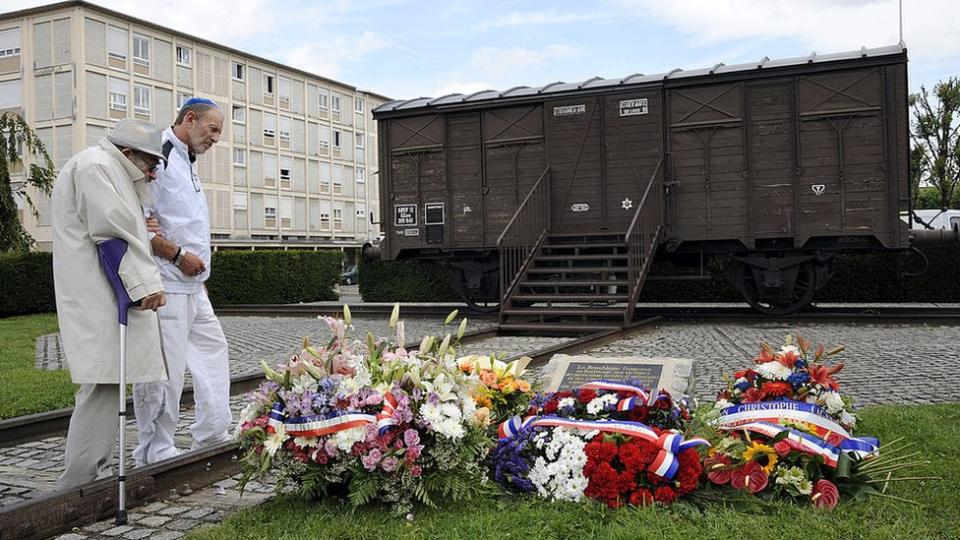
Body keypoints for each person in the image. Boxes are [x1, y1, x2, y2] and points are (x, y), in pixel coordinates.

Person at [52, 119, 168, 489]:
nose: (151, 174)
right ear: (129, 153)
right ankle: (78, 485)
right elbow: (112, 235)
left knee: (106, 383)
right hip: (101, 297)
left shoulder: (105, 168)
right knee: (103, 383)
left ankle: (85, 477)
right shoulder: (97, 166)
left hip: (106, 293)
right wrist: (144, 285)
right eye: (150, 165)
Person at [133, 97, 232, 465]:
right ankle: (154, 449)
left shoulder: (188, 161)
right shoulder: (157, 155)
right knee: (165, 369)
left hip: (193, 285)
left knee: (213, 351)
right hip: (166, 283)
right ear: (190, 119)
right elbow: (138, 224)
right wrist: (176, 255)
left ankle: (212, 432)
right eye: (213, 128)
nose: (217, 138)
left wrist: (198, 273)